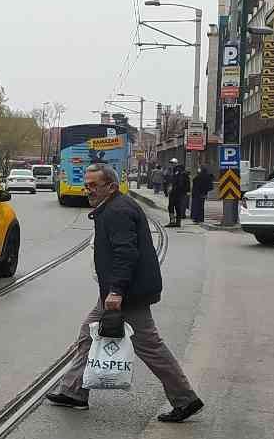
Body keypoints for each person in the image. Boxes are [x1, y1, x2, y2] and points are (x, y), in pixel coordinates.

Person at [45, 163, 204, 421]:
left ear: (111, 186)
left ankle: (185, 399)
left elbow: (126, 253)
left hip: (127, 292)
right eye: (87, 185)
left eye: (94, 186)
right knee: (88, 333)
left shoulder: (118, 211)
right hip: (118, 289)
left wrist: (117, 291)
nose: (89, 190)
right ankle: (73, 391)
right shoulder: (112, 207)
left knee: (150, 346)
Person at [166, 160, 189, 227]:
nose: (171, 165)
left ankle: (172, 221)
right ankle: (178, 222)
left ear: (175, 163)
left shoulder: (177, 171)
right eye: (171, 163)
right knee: (177, 207)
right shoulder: (179, 171)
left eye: (172, 163)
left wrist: (172, 189)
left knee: (171, 206)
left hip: (175, 193)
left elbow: (177, 183)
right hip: (179, 193)